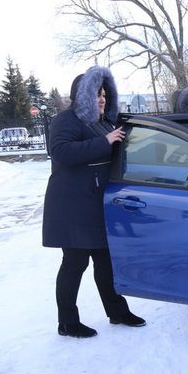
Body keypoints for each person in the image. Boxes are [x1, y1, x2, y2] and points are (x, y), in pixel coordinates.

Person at [42, 65, 145, 338]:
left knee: (106, 261)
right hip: (72, 207)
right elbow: (61, 152)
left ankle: (118, 312)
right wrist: (106, 141)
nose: (101, 99)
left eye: (104, 94)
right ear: (82, 95)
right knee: (75, 263)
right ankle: (67, 322)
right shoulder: (68, 119)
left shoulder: (103, 122)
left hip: (97, 206)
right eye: (96, 93)